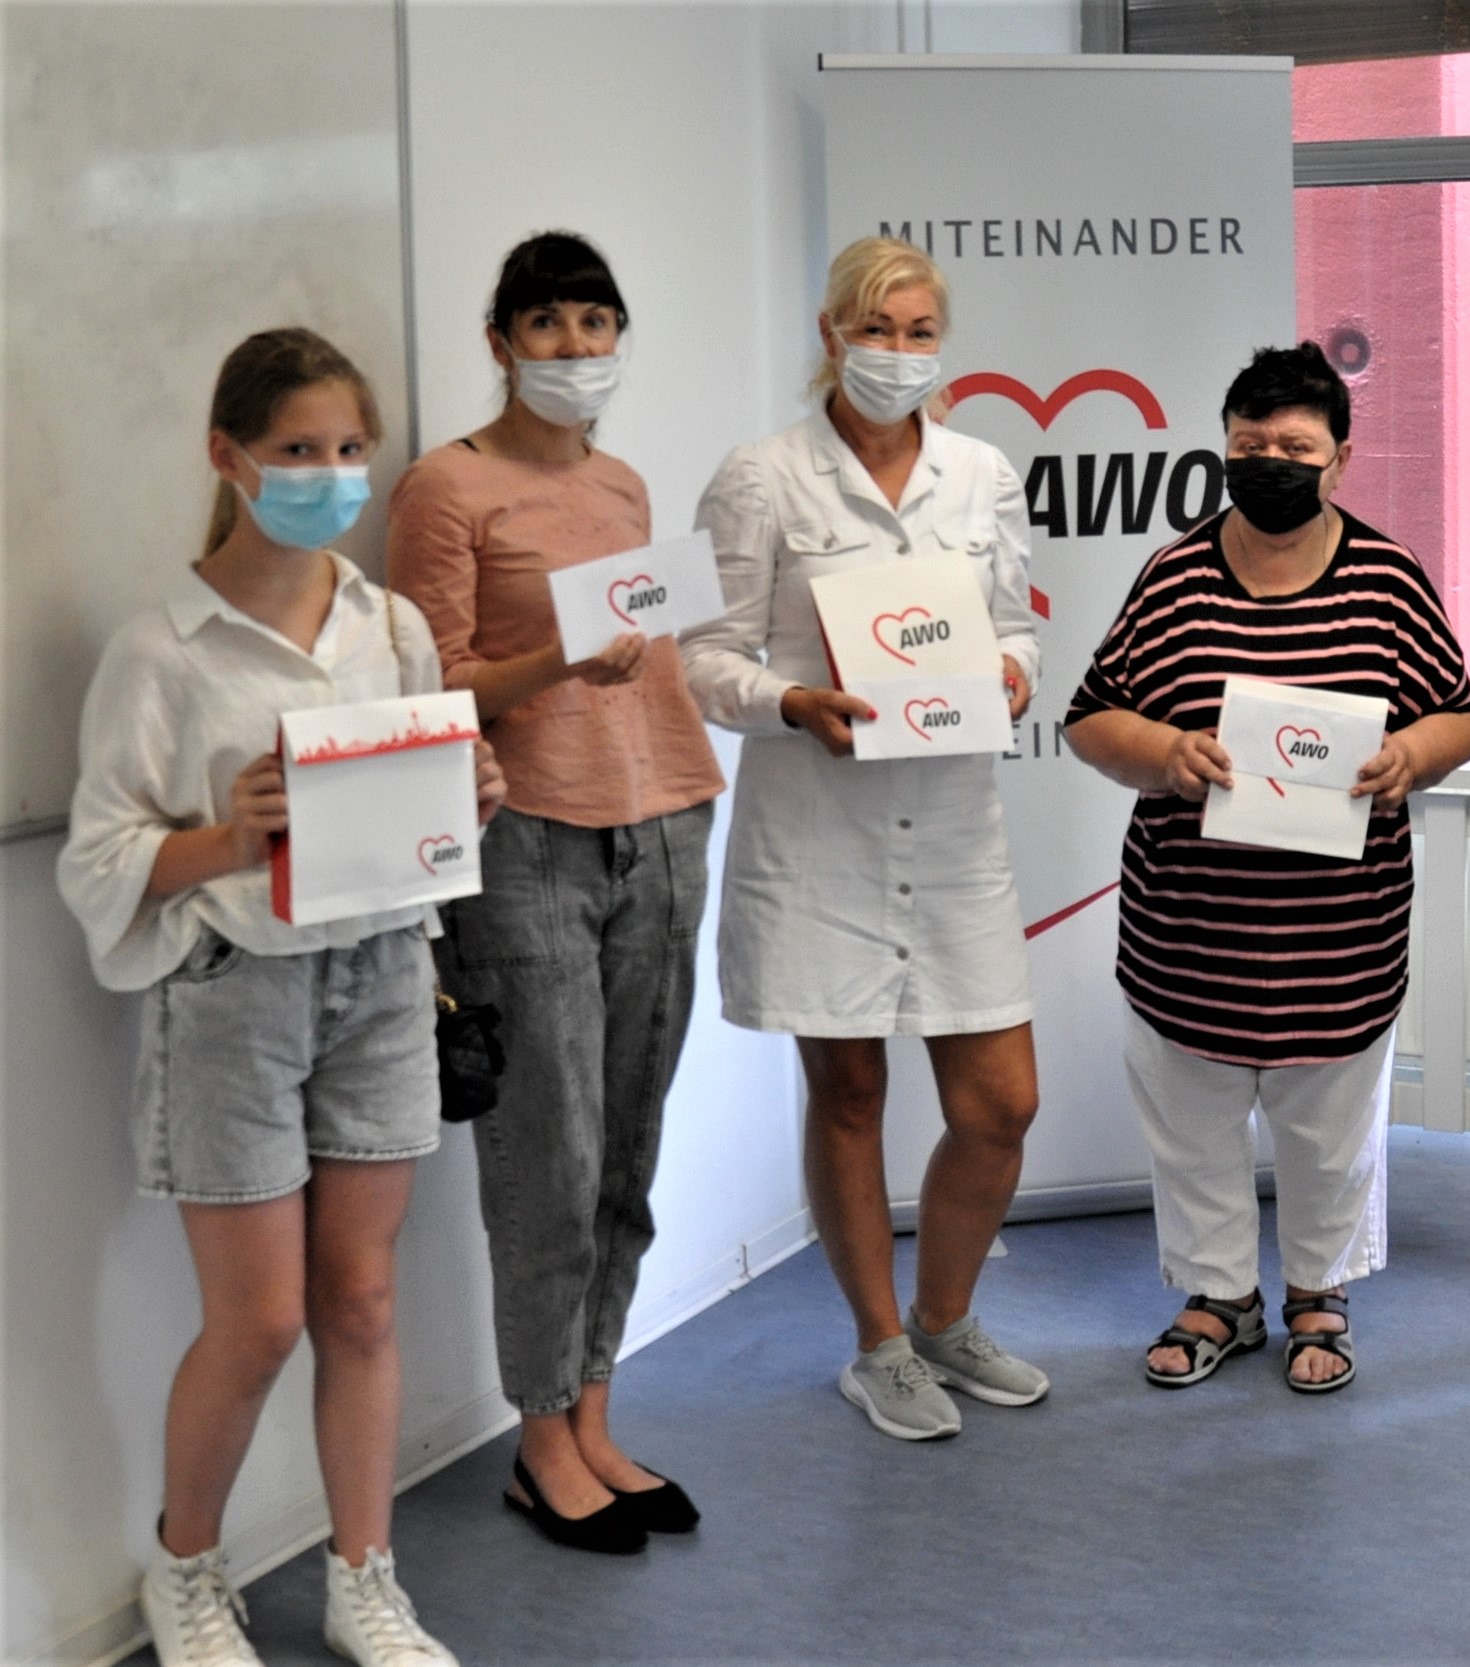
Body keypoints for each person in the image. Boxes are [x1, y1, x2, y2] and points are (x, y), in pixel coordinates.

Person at [57, 328, 501, 1666]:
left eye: (349, 448)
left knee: (361, 1302)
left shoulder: (392, 626)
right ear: (230, 457)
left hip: (383, 977)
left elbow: (423, 817)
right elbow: (97, 860)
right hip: (234, 996)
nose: (329, 474)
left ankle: (367, 1577)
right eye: (298, 449)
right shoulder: (162, 648)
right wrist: (227, 837)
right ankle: (185, 1568)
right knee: (256, 1321)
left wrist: (468, 799)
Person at [387, 233, 723, 1550]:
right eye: (548, 323)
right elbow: (431, 683)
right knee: (550, 1149)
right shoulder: (446, 485)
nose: (576, 347)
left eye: (596, 322)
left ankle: (593, 1411)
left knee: (629, 1139)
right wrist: (559, 659)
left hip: (664, 819)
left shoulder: (623, 482)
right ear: (501, 341)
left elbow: (647, 644)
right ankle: (539, 1441)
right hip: (524, 839)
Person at [679, 236, 1044, 1442]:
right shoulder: (762, 477)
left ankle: (945, 1318)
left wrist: (1012, 671)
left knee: (1001, 1102)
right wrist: (791, 701)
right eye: (876, 328)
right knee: (849, 1090)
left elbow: (1018, 628)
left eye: (919, 329)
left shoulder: (984, 471)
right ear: (832, 334)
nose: (898, 351)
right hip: (819, 828)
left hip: (951, 828)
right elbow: (703, 656)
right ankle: (878, 1344)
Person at [1066, 343, 1470, 1394]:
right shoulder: (1174, 576)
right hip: (1186, 935)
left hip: (1339, 941)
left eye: (1296, 447)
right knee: (1193, 1127)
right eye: (1250, 444)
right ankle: (1218, 1295)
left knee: (1328, 1135)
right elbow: (1091, 714)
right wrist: (1164, 752)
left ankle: (1317, 1293)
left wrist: (1409, 755)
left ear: (1341, 457)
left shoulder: (1388, 579)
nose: (1271, 462)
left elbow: (1460, 715)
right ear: (1223, 449)